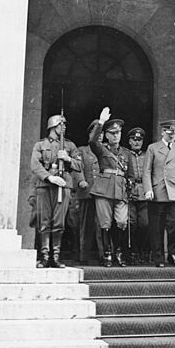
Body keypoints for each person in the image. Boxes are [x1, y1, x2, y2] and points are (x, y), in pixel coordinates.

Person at [31, 114, 82, 268]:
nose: (64, 127)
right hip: (45, 186)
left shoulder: (70, 146)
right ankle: (45, 256)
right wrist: (49, 178)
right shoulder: (40, 145)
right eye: (62, 125)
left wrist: (67, 159)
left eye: (65, 125)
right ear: (53, 126)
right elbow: (35, 165)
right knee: (44, 221)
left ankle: (56, 256)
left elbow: (79, 166)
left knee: (59, 222)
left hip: (63, 185)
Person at [143, 120, 175, 268]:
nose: (171, 136)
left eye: (174, 133)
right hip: (158, 191)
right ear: (163, 132)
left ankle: (173, 254)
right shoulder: (153, 148)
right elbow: (147, 171)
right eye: (169, 133)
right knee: (156, 226)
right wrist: (148, 189)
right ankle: (158, 257)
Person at [89, 107, 131, 267]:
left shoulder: (126, 153)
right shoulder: (102, 149)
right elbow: (92, 141)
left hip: (121, 190)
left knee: (121, 221)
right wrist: (101, 122)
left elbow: (131, 174)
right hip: (104, 189)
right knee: (105, 223)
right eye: (112, 133)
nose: (116, 135)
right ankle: (107, 254)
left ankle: (119, 252)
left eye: (118, 132)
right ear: (106, 134)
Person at [73, 120, 104, 264]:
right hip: (87, 192)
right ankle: (83, 256)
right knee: (86, 225)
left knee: (102, 225)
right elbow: (77, 167)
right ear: (90, 133)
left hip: (103, 193)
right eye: (95, 132)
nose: (99, 136)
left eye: (101, 133)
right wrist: (81, 181)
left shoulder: (105, 150)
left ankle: (104, 256)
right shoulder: (82, 150)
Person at [127, 127, 150, 265]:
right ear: (129, 141)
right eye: (134, 139)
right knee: (132, 224)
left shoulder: (147, 155)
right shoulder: (125, 154)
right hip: (130, 192)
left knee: (145, 224)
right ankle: (132, 252)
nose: (137, 142)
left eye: (139, 140)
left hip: (144, 192)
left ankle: (144, 251)